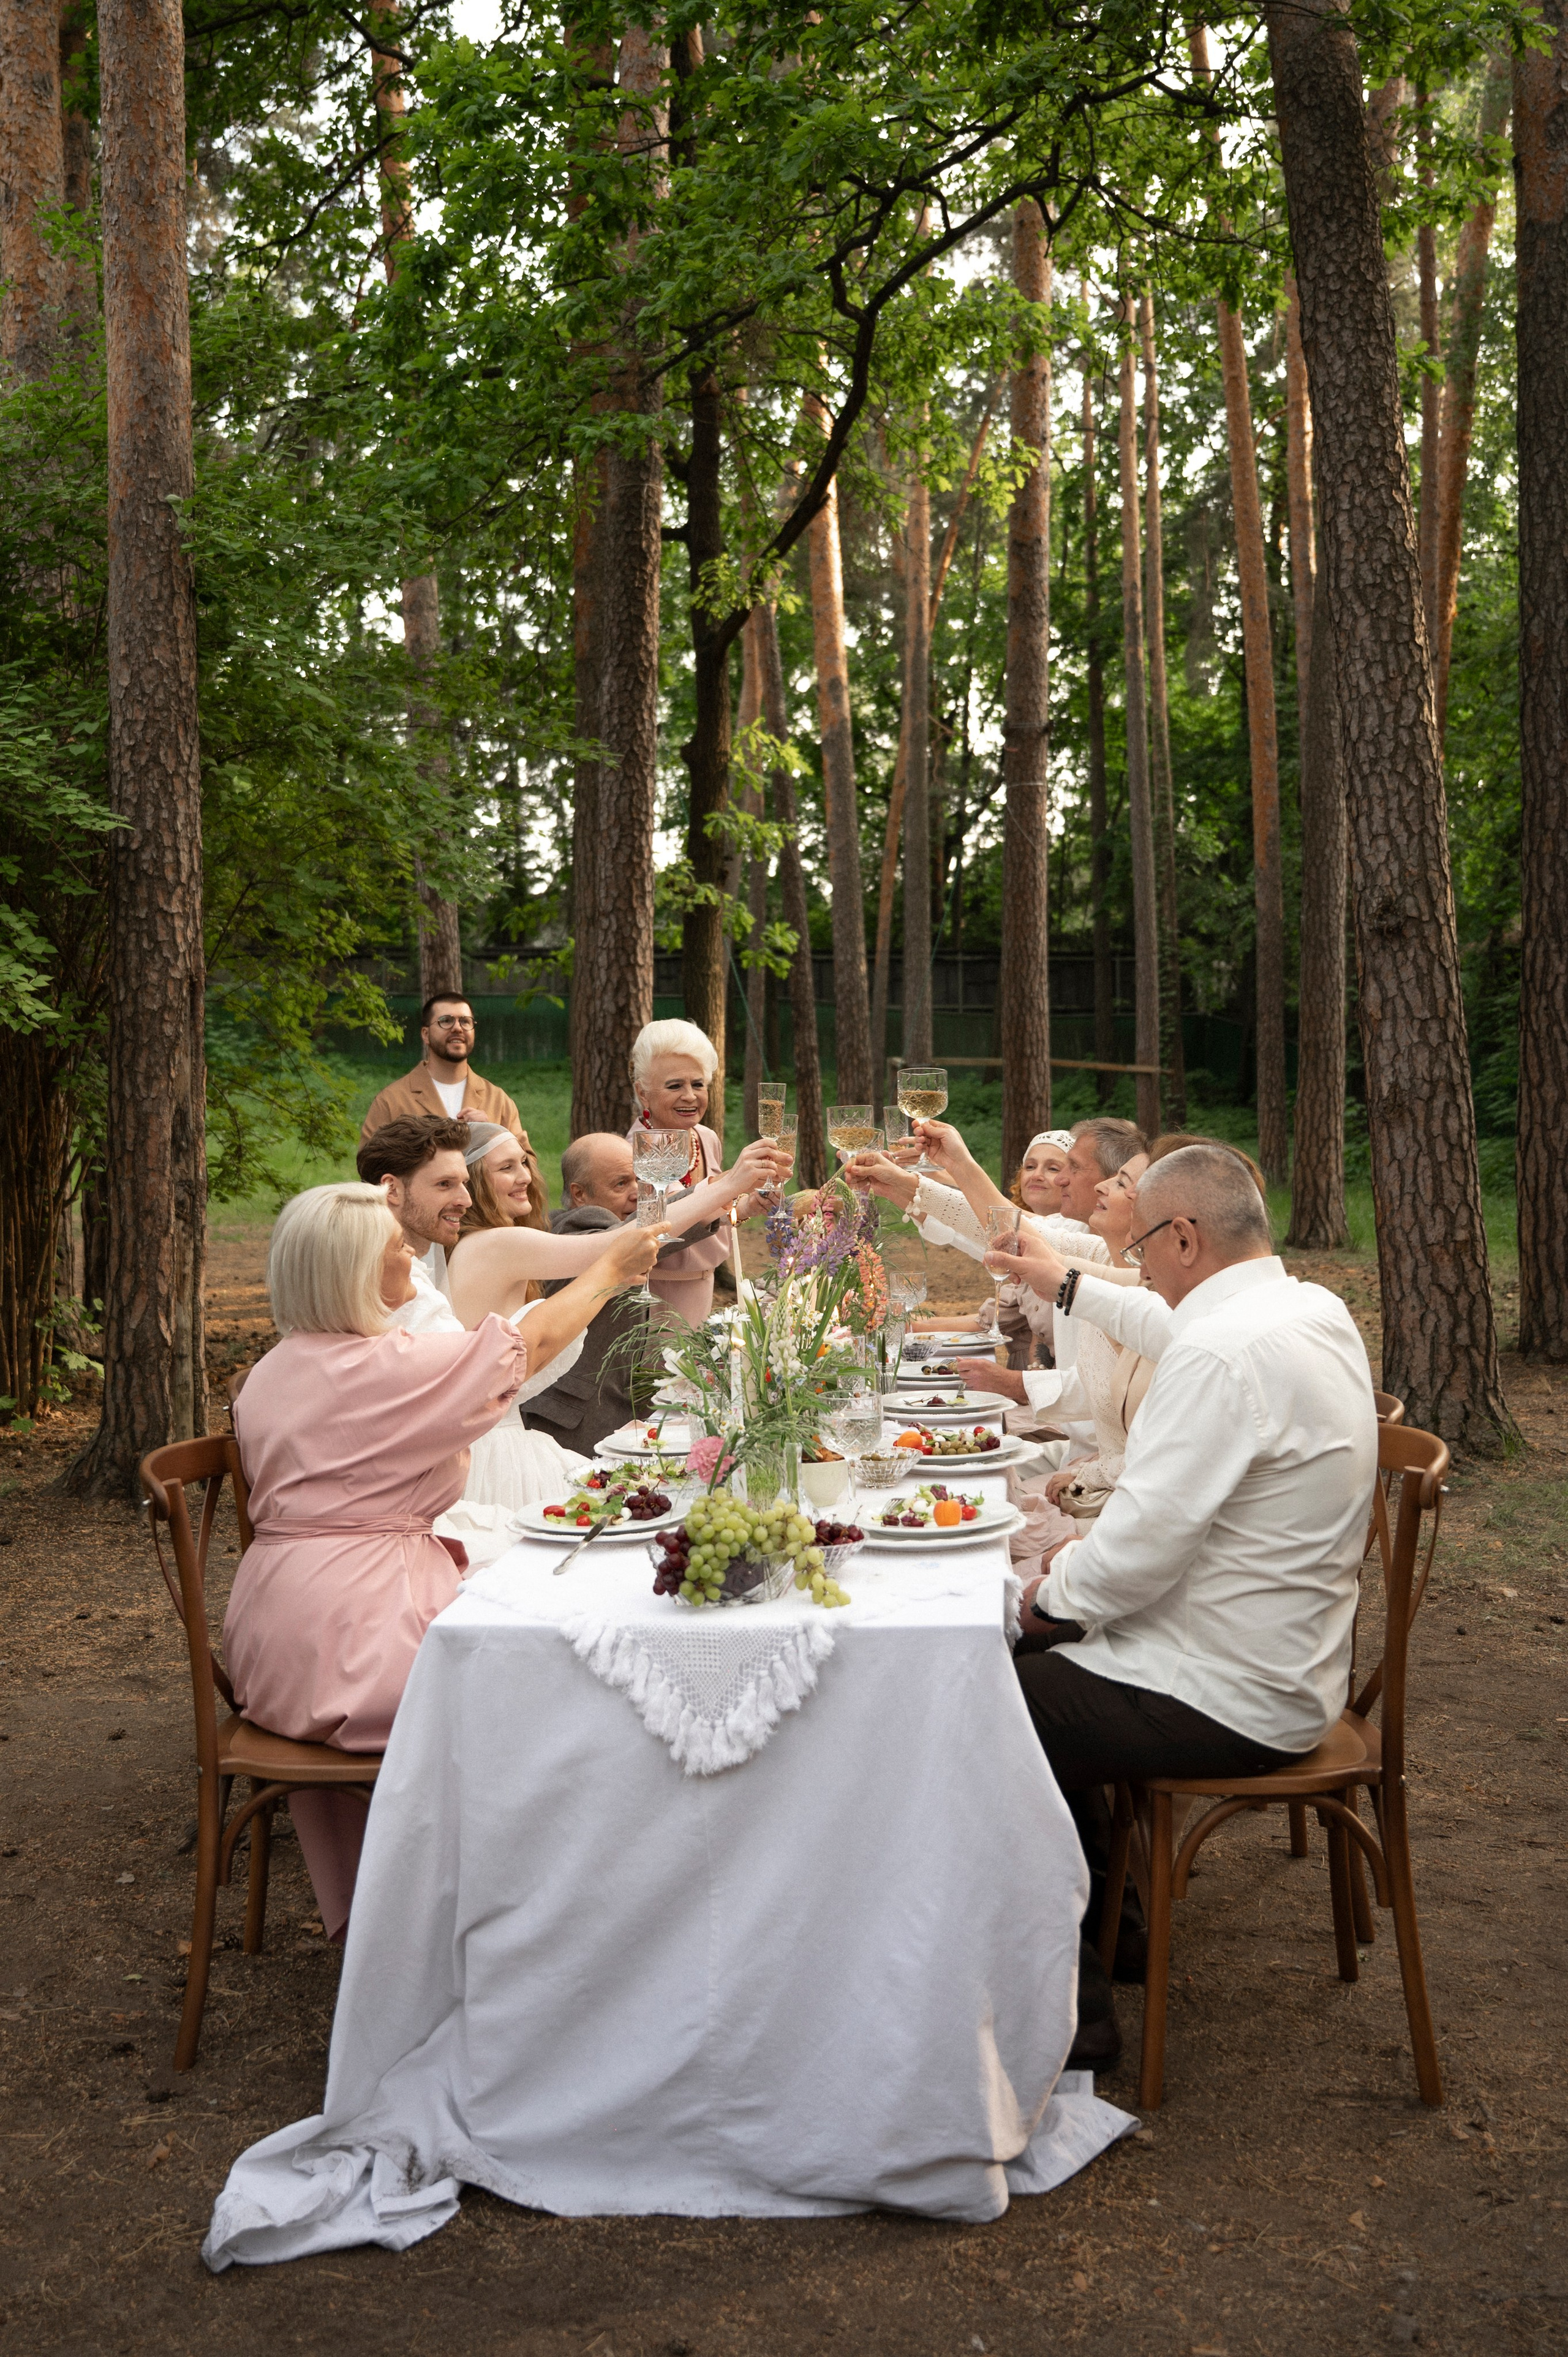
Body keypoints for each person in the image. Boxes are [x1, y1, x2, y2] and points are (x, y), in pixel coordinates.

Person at [983, 1145, 1379, 2065]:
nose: (1141, 1270)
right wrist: (1066, 1282)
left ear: (1187, 1238)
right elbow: (1157, 1323)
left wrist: (1038, 1601)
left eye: (1147, 1250)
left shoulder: (1220, 1350)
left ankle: (1070, 2021)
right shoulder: (1306, 1307)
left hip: (1228, 1691)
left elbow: (1137, 1557)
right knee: (1026, 1678)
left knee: (987, 1698)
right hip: (1292, 1661)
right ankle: (1117, 1934)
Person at [225, 1183, 533, 1939]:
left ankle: (431, 1906)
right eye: (395, 1246)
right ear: (355, 1271)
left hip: (272, 1636)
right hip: (349, 1637)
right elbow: (522, 1348)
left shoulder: (271, 1370)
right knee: (529, 1693)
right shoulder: (375, 1367)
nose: (411, 1252)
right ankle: (493, 1914)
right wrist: (608, 1269)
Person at [356, 1116, 671, 1506]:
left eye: (464, 1184)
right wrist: (728, 1189)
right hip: (463, 1465)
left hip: (478, 1449)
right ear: (392, 1189)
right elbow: (514, 1357)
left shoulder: (414, 1273)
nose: (465, 1199)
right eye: (445, 1184)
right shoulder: (405, 1286)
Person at [627, 1018, 787, 1326]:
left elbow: (711, 1214)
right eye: (675, 1086)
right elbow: (671, 1219)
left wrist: (748, 1205)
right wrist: (734, 1178)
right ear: (643, 1093)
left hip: (704, 1288)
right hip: (653, 1297)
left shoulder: (706, 1138)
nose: (690, 1096)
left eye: (698, 1084)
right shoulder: (633, 1150)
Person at [359, 992, 546, 1224]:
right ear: (426, 1034)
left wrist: (492, 1133)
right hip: (420, 1229)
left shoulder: (498, 1099)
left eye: (465, 1022)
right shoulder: (391, 1100)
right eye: (446, 1021)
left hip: (486, 1225)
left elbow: (528, 1164)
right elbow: (371, 1173)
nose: (457, 1028)